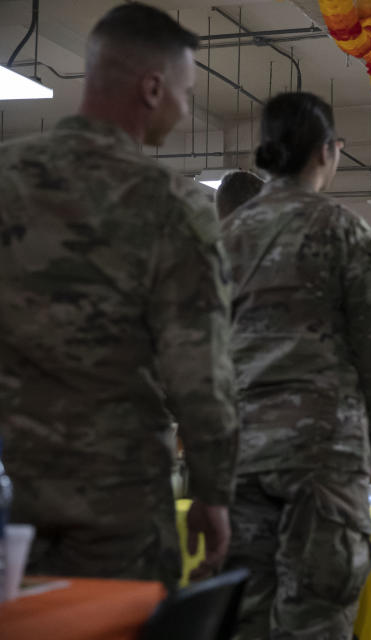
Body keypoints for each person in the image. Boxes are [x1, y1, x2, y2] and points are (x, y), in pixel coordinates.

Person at [0, 3, 236, 589]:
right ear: (153, 88)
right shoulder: (172, 206)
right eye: (184, 93)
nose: (184, 109)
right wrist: (213, 491)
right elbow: (200, 376)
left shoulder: (6, 178)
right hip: (117, 504)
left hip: (9, 492)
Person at [222, 93, 371, 639]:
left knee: (247, 613)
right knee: (317, 616)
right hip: (322, 453)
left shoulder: (224, 239)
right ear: (327, 152)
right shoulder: (342, 231)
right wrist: (369, 449)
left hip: (239, 455)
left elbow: (193, 356)